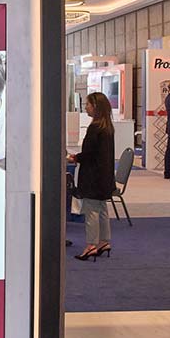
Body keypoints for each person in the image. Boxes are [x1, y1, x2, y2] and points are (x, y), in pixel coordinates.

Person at [67, 92, 115, 261]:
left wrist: (74, 158)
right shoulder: (107, 127)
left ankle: (91, 245)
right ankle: (104, 241)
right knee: (102, 209)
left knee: (91, 211)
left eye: (87, 104)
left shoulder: (95, 128)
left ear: (95, 106)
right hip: (104, 176)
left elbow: (89, 153)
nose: (85, 107)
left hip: (93, 177)